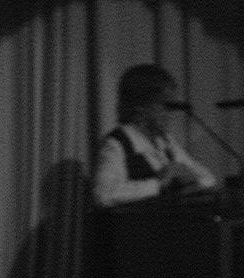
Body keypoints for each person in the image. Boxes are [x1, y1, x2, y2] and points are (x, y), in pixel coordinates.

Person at [93, 64, 217, 207]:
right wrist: (159, 184)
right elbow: (104, 195)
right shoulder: (117, 143)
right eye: (165, 105)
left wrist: (189, 175)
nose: (170, 114)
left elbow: (209, 180)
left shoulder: (166, 142)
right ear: (141, 106)